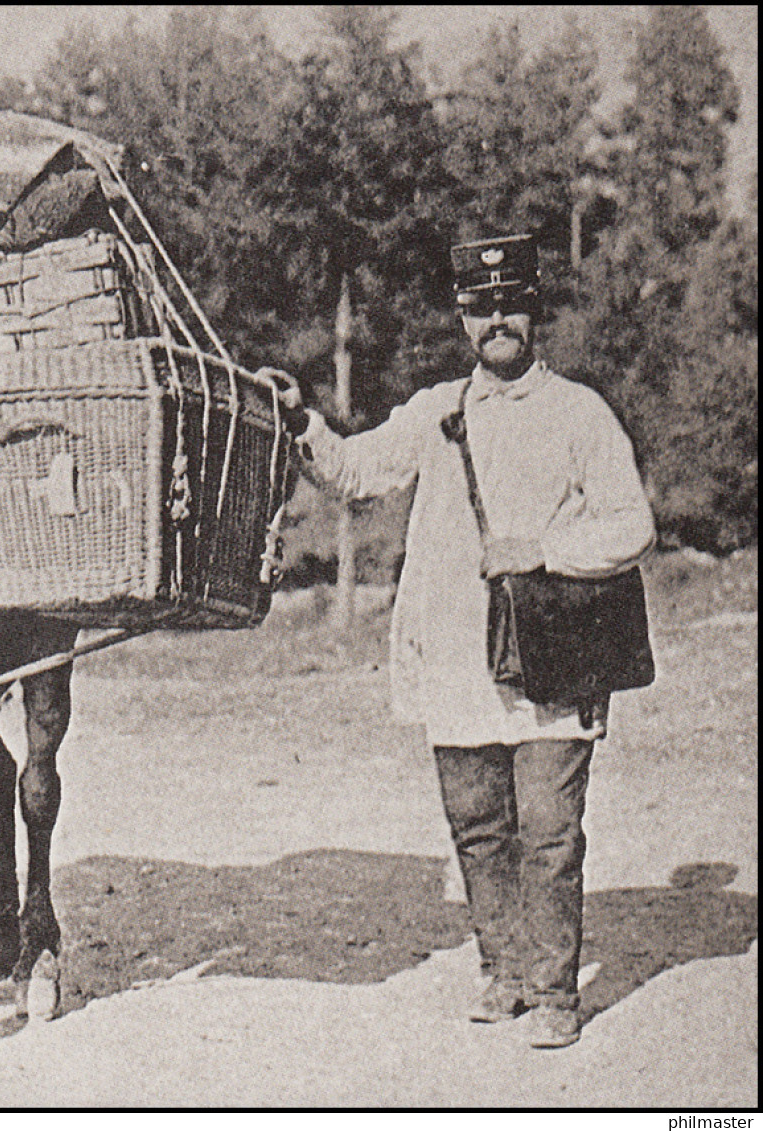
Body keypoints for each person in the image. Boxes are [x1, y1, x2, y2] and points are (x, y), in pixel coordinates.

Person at [266, 233, 656, 1049]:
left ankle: (553, 991)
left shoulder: (580, 411)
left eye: (510, 303)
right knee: (478, 826)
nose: (496, 321)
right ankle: (504, 971)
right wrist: (301, 417)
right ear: (461, 319)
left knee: (548, 830)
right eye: (481, 308)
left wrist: (542, 550)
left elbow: (632, 525)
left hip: (552, 662)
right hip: (453, 663)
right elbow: (355, 471)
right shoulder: (434, 410)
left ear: (533, 310)